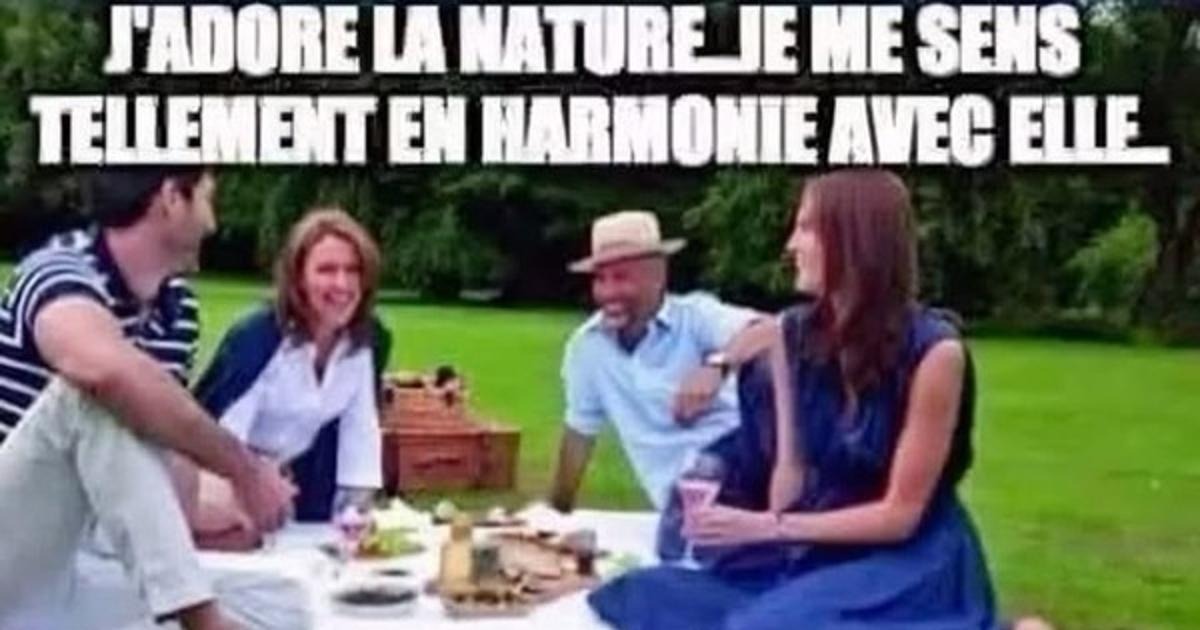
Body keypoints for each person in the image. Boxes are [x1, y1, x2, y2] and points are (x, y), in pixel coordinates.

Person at [588, 170, 1019, 629]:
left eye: (807, 228)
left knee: (765, 625)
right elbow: (789, 479)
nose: (791, 245)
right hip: (818, 543)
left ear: (855, 238)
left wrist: (767, 527)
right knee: (638, 594)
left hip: (904, 556)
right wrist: (738, 513)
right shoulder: (794, 335)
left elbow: (901, 516)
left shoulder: (935, 354)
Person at [0, 167, 294, 630]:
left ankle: (196, 607)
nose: (213, 223)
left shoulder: (178, 311)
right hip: (14, 549)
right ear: (171, 198)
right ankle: (202, 621)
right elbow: (104, 374)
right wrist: (244, 470)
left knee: (280, 601)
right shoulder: (58, 270)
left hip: (83, 556)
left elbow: (164, 454)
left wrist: (228, 513)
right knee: (93, 395)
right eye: (207, 199)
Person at [549, 210, 770, 512]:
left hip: (741, 474)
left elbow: (770, 330)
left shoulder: (696, 317)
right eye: (600, 279)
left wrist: (718, 366)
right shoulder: (587, 347)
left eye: (621, 277)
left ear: (658, 276)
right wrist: (556, 513)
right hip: (678, 501)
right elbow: (579, 431)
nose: (608, 292)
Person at [192, 208, 390, 527]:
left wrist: (356, 509)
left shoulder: (366, 339)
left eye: (353, 270)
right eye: (326, 270)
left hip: (294, 473)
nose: (342, 283)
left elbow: (360, 428)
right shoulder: (258, 338)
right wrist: (254, 482)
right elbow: (223, 433)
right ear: (298, 277)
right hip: (219, 474)